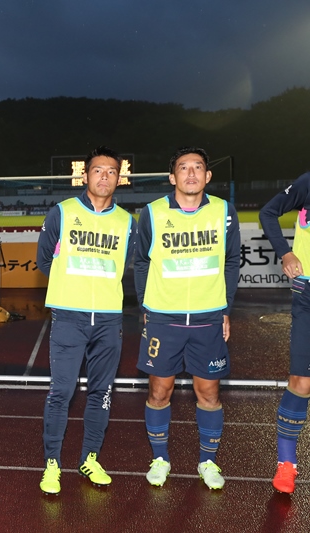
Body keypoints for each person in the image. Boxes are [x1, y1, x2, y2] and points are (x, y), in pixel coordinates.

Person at [135, 146, 240, 490]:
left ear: (208, 176)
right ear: (172, 177)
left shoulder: (224, 211)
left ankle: (208, 461)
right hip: (164, 318)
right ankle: (160, 458)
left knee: (208, 393)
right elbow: (141, 262)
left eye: (197, 167)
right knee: (159, 391)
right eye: (183, 167)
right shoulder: (152, 212)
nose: (191, 173)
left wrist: (225, 310)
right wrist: (146, 307)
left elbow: (231, 262)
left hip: (209, 318)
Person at [36, 146, 136, 494]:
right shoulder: (62, 212)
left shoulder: (127, 222)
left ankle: (89, 458)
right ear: (85, 175)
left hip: (109, 319)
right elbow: (44, 261)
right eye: (97, 170)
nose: (104, 177)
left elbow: (125, 266)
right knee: (61, 391)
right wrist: (70, 289)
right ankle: (52, 463)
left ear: (119, 178)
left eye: (111, 171)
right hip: (69, 316)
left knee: (101, 392)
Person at [260, 172, 310, 494]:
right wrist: (285, 252)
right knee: (301, 381)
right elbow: (268, 212)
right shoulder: (308, 183)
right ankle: (286, 464)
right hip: (308, 295)